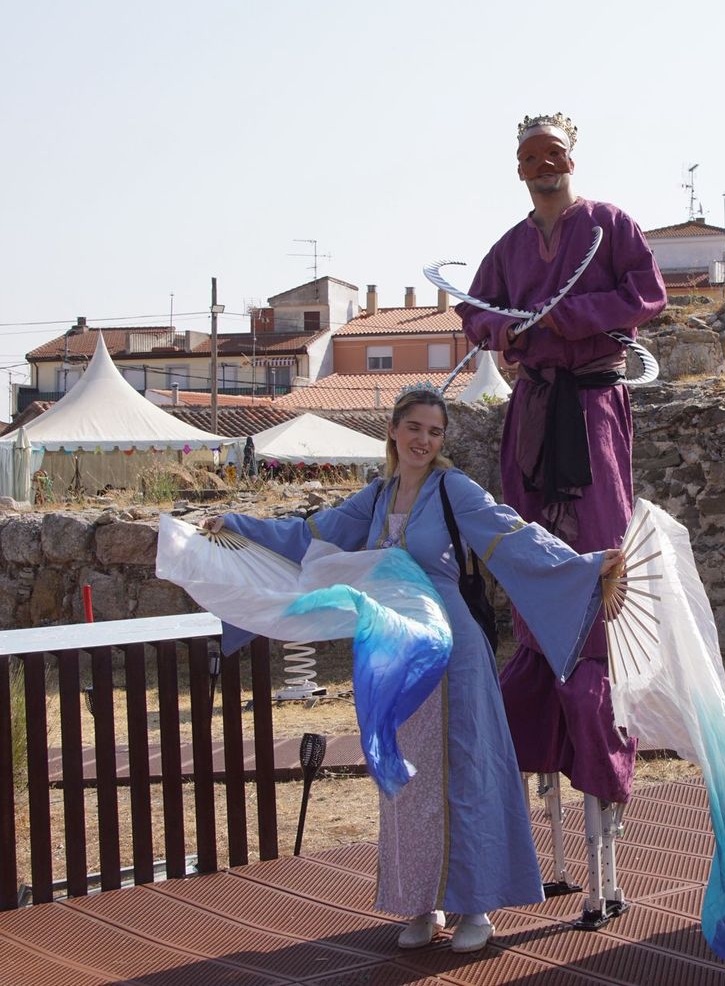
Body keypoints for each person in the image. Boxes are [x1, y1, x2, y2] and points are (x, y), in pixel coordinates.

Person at [206, 388, 624, 954]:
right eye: (414, 428)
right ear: (394, 432)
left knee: (467, 772)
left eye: (434, 431)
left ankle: (476, 907)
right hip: (396, 654)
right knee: (407, 780)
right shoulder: (375, 499)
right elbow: (310, 535)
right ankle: (421, 903)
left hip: (454, 654)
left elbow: (512, 536)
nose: (424, 440)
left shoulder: (453, 490)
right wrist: (236, 524)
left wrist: (583, 565)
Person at [455, 113, 667, 928]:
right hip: (533, 417)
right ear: (518, 167)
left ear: (572, 158)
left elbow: (645, 295)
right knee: (529, 556)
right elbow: (475, 312)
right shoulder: (509, 246)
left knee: (602, 564)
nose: (543, 167)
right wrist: (510, 329)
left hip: (595, 411)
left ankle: (596, 697)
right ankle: (543, 684)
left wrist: (567, 317)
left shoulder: (611, 226)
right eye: (529, 158)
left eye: (554, 155)